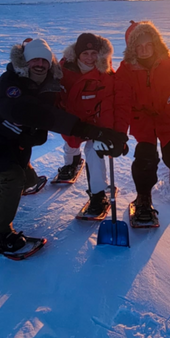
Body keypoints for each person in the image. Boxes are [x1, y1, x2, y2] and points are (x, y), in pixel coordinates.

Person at [0, 37, 128, 252]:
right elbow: (45, 116)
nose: (39, 65)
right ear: (24, 62)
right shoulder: (10, 85)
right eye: (34, 60)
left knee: (27, 181)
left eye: (44, 61)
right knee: (14, 178)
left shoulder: (48, 84)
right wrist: (92, 131)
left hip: (11, 144)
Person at [116, 21, 170, 223]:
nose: (144, 50)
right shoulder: (125, 70)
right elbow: (121, 102)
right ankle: (143, 197)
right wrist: (118, 132)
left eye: (148, 45)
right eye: (138, 46)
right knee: (145, 160)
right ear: (131, 48)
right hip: (142, 121)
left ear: (156, 43)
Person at [56, 32, 128, 216]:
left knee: (94, 152)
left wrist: (112, 133)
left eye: (94, 53)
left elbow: (110, 105)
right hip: (72, 121)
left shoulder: (106, 74)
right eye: (85, 54)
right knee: (70, 144)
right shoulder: (63, 70)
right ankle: (71, 162)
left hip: (95, 122)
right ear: (77, 54)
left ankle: (98, 194)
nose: (90, 58)